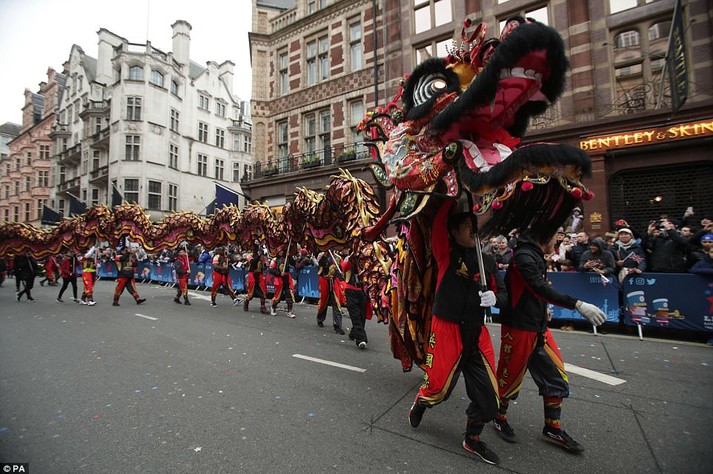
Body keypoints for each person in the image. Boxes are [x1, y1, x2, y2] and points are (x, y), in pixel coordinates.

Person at [407, 200, 506, 465]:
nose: (472, 230)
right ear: (453, 232)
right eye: (465, 225)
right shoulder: (445, 253)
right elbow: (439, 223)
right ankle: (421, 402)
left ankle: (472, 438)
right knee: (439, 389)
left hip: (477, 333)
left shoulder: (488, 262)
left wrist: (495, 298)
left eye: (474, 225)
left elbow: (504, 295)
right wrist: (452, 192)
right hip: (447, 329)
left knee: (490, 399)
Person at [492, 230, 606, 453]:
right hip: (519, 327)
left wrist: (545, 309)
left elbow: (536, 292)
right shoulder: (523, 256)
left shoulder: (533, 254)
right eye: (555, 235)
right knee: (508, 378)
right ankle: (498, 416)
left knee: (556, 375)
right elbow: (538, 287)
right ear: (543, 235)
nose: (558, 240)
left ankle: (552, 427)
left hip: (539, 327)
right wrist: (577, 305)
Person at [341, 254, 369, 349]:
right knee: (355, 315)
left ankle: (354, 333)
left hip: (363, 290)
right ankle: (361, 339)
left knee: (362, 315)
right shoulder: (349, 258)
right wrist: (350, 258)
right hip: (351, 289)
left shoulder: (366, 258)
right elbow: (344, 267)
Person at [316, 252, 345, 335]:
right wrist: (324, 257)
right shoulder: (322, 257)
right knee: (323, 302)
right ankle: (320, 318)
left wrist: (341, 273)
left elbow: (343, 269)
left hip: (335, 282)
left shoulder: (338, 258)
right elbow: (319, 270)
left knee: (336, 303)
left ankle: (337, 326)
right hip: (325, 281)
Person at [269, 254, 296, 318]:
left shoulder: (287, 257)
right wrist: (279, 273)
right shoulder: (275, 260)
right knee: (277, 296)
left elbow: (294, 264)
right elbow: (271, 269)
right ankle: (273, 308)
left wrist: (290, 256)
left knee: (289, 295)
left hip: (287, 279)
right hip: (279, 279)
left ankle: (289, 312)